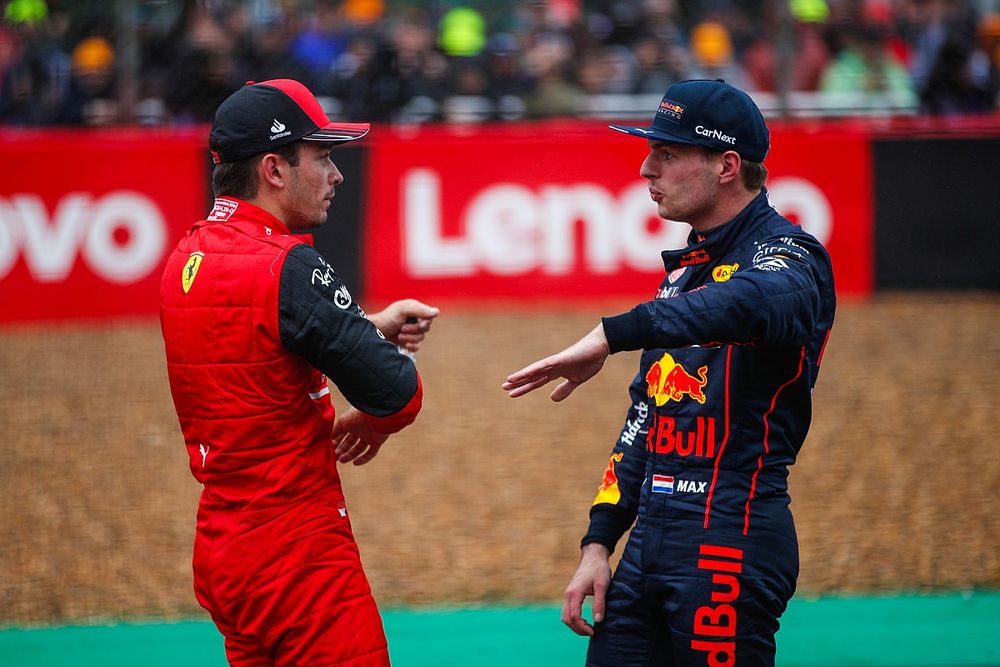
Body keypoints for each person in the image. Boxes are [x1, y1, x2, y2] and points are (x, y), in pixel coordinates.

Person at [503, 79, 836, 666]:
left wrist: (613, 333)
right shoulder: (684, 275)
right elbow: (644, 421)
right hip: (646, 549)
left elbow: (752, 304)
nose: (645, 168)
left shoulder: (792, 256)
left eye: (668, 153)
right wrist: (599, 541)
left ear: (727, 165)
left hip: (731, 538)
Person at [159, 78, 439, 667]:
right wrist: (381, 399)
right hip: (298, 554)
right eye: (323, 155)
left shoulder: (186, 256)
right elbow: (397, 393)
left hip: (222, 549)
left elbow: (255, 342)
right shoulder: (289, 265)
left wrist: (366, 324)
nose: (337, 173)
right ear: (274, 169)